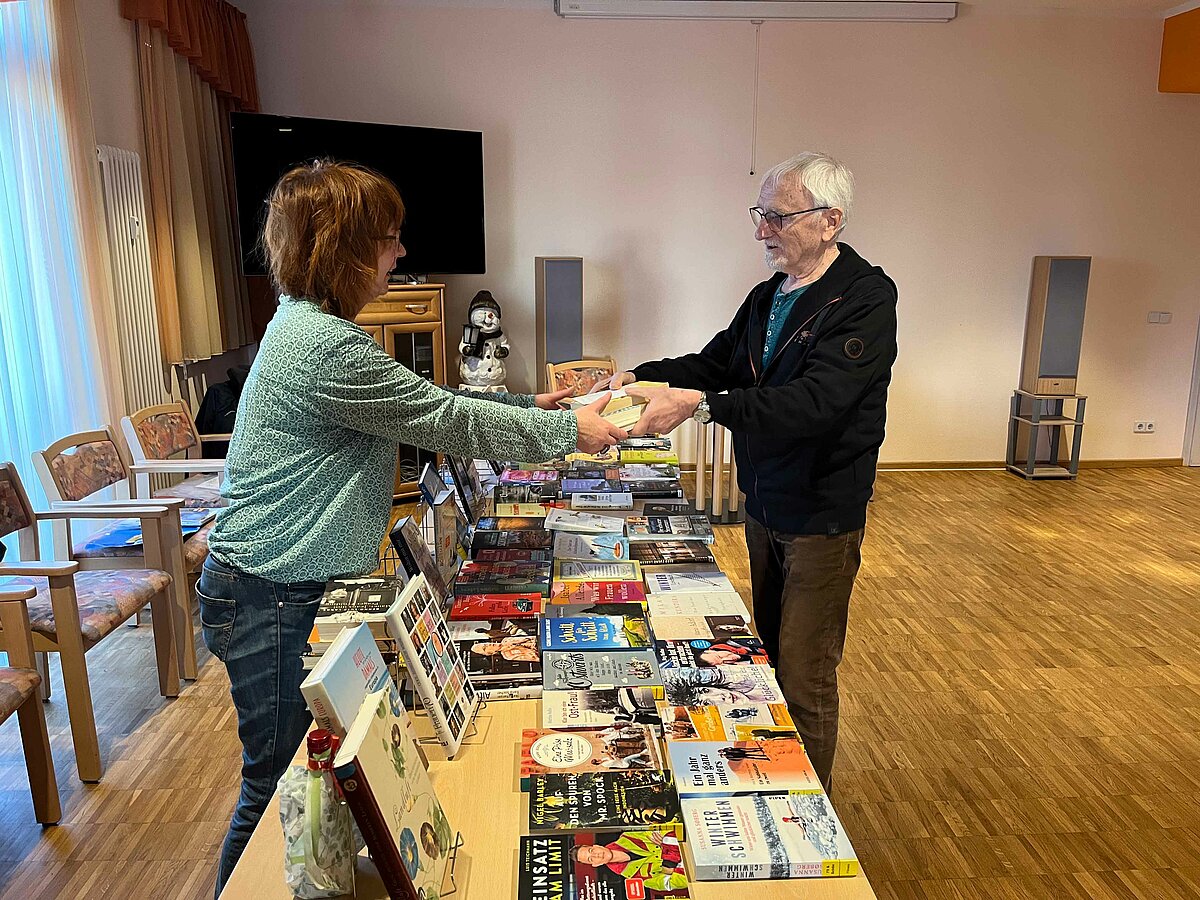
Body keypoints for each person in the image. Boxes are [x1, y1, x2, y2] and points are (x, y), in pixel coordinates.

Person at [198, 160, 627, 894]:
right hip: (271, 592)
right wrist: (565, 435)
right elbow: (443, 418)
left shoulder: (311, 328)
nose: (401, 255)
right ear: (342, 246)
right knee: (277, 795)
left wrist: (536, 410)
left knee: (301, 785)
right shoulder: (324, 344)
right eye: (390, 240)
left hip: (277, 585)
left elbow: (420, 401)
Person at [608, 151, 897, 793]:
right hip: (764, 504)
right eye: (758, 215)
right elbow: (714, 364)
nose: (761, 230)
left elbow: (818, 403)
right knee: (766, 656)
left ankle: (809, 811)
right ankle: (769, 777)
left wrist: (704, 406)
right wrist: (637, 376)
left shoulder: (866, 299)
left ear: (829, 221)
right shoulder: (768, 296)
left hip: (823, 511)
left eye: (776, 217)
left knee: (805, 672)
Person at [570, 830, 687, 892]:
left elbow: (670, 830)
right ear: (596, 864)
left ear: (596, 845)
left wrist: (669, 864)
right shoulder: (635, 879)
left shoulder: (630, 835)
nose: (596, 854)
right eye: (591, 859)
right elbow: (680, 881)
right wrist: (667, 845)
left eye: (591, 850)